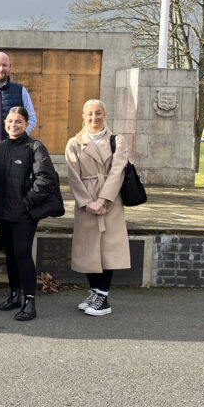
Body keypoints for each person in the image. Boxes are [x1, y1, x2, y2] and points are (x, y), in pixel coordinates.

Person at [0, 106, 60, 321]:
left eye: (18, 121)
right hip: (2, 215)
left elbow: (45, 181)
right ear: (4, 122)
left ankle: (30, 301)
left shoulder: (35, 147)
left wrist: (26, 204)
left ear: (26, 124)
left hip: (24, 216)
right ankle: (14, 295)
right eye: (10, 121)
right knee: (10, 255)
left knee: (22, 254)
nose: (13, 125)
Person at [65, 99, 131, 317]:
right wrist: (87, 202)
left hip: (110, 201)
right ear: (83, 116)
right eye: (90, 113)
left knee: (107, 250)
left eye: (98, 113)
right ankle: (95, 294)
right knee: (88, 250)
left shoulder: (117, 141)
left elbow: (117, 171)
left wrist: (103, 200)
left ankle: (102, 297)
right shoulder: (74, 142)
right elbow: (73, 176)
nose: (94, 117)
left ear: (105, 114)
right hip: (86, 201)